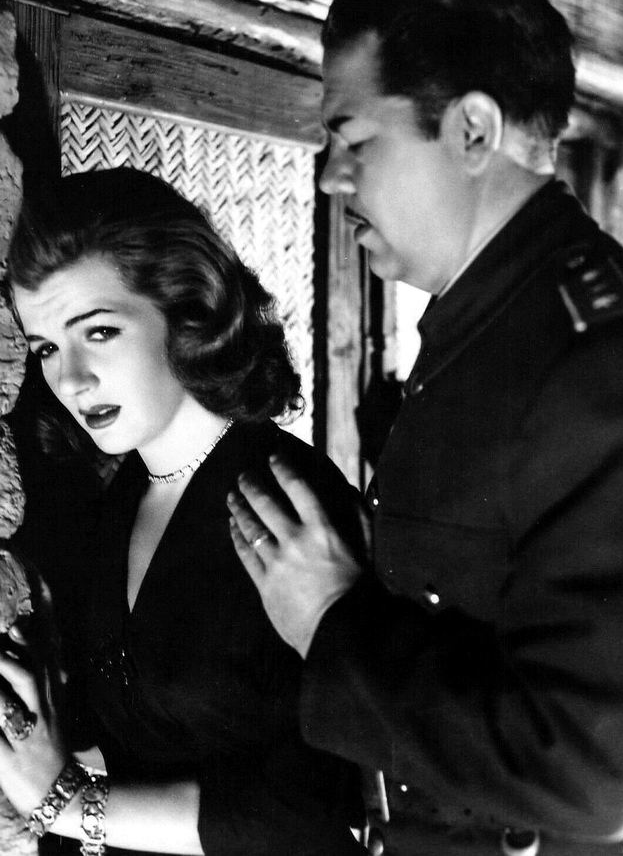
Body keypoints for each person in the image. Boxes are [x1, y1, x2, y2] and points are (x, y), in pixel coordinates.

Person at [227, 0, 623, 853]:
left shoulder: (609, 357)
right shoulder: (484, 324)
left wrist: (332, 619)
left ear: (473, 130)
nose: (330, 177)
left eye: (355, 141)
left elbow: (587, 770)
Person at [0, 167, 366, 856]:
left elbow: (319, 805)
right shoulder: (119, 503)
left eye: (99, 331)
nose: (71, 378)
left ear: (187, 310)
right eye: (47, 348)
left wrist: (69, 803)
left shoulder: (289, 499)